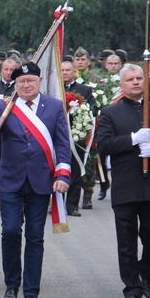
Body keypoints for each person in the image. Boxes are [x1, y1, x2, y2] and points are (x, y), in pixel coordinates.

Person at [0, 62, 72, 298]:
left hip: (41, 181)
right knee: (9, 231)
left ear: (39, 82)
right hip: (10, 181)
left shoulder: (53, 107)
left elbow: (62, 143)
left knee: (35, 237)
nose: (26, 85)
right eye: (21, 82)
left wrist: (62, 174)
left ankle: (31, 292)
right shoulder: (5, 105)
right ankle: (11, 285)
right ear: (15, 84)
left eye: (30, 80)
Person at [96, 64, 150, 298]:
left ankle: (146, 272)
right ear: (121, 85)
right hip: (126, 184)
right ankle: (132, 287)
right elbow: (103, 145)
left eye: (140, 78)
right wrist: (133, 140)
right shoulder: (110, 113)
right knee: (126, 241)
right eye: (130, 79)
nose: (136, 82)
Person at [62, 59, 96, 216]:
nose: (64, 73)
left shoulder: (85, 90)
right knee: (58, 171)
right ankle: (56, 204)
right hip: (59, 137)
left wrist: (80, 115)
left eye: (68, 70)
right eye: (62, 70)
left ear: (74, 71)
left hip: (77, 138)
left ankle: (72, 205)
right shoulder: (53, 88)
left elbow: (93, 109)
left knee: (75, 172)